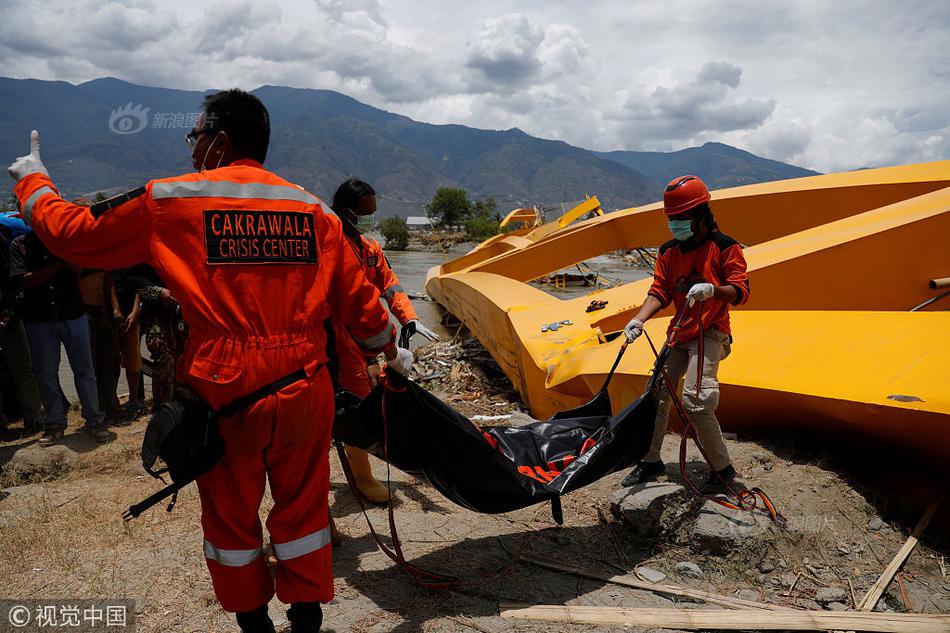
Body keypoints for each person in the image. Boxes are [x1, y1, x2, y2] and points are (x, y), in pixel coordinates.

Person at [8, 89, 412, 633]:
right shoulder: (313, 210)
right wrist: (394, 346)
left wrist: (34, 182)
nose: (192, 148)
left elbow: (75, 237)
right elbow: (364, 311)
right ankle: (307, 620)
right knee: (304, 508)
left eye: (194, 137)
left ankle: (253, 624)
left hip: (225, 387)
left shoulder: (169, 200)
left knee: (230, 515)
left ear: (219, 142)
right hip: (304, 383)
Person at [621, 175, 749, 490]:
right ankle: (650, 462)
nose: (675, 224)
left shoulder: (724, 247)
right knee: (657, 393)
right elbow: (660, 290)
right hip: (680, 332)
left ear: (699, 216)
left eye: (680, 218)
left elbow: (741, 291)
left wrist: (713, 290)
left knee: (696, 400)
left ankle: (723, 473)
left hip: (710, 331)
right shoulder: (668, 252)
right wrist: (638, 319)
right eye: (671, 219)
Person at [329, 178, 440, 504]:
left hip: (364, 338)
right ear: (344, 213)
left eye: (374, 213)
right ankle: (362, 477)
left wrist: (409, 317)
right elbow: (355, 304)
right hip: (338, 338)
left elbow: (390, 286)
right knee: (358, 403)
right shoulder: (331, 249)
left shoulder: (370, 249)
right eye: (366, 214)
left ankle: (364, 463)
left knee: (364, 402)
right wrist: (390, 349)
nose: (371, 219)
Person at [9, 230, 108, 445]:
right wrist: (59, 264)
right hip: (40, 319)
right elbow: (22, 281)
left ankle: (94, 420)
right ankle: (54, 423)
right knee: (46, 374)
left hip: (73, 313)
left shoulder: (65, 240)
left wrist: (64, 257)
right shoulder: (21, 245)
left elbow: (83, 269)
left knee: (85, 371)